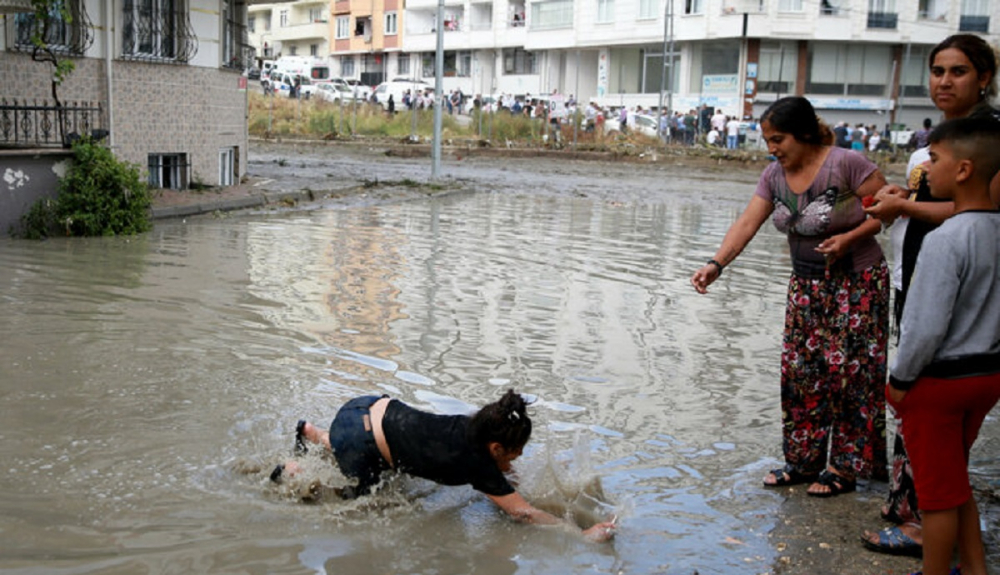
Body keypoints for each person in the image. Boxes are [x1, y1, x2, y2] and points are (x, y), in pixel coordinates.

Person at [690, 96, 889, 496]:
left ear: (803, 134)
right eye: (767, 140)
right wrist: (716, 264)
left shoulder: (846, 164)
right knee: (800, 374)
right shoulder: (774, 176)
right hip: (805, 287)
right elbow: (748, 221)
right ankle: (802, 461)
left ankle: (845, 467)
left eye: (778, 139)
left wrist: (849, 238)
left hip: (858, 286)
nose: (772, 149)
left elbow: (888, 209)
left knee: (851, 377)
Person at [862, 33, 1000, 556]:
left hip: (956, 289)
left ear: (983, 77)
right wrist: (903, 195)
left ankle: (927, 529)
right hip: (921, 277)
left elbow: (981, 210)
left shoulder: (988, 140)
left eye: (958, 71)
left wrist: (904, 209)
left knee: (929, 403)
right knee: (922, 412)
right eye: (938, 70)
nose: (944, 81)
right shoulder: (941, 138)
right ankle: (911, 504)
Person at [272, 390, 617, 541]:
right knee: (356, 505)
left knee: (378, 459)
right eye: (517, 451)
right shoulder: (477, 461)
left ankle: (314, 434)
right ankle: (292, 471)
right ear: (497, 447)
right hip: (361, 443)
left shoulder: (472, 426)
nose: (520, 457)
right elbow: (522, 513)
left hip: (363, 409)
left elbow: (507, 481)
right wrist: (579, 534)